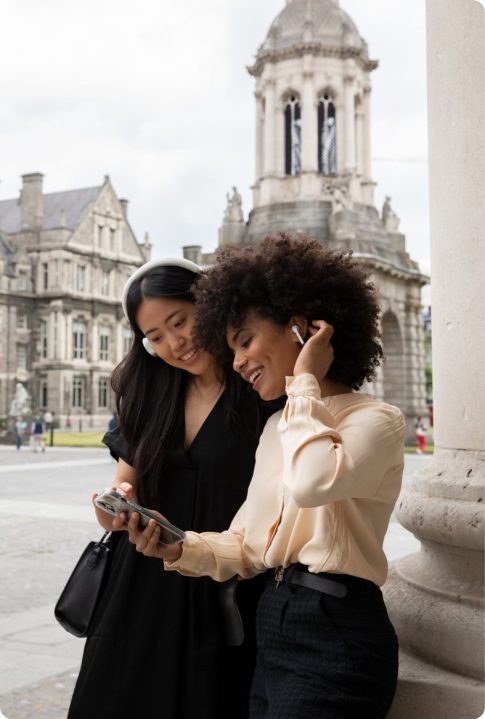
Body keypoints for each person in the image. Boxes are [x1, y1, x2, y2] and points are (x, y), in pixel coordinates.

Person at [127, 235, 406, 719]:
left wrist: (304, 382)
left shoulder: (375, 420)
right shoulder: (280, 426)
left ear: (301, 331)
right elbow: (248, 546)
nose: (236, 363)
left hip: (337, 626)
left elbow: (313, 482)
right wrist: (175, 545)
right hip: (274, 623)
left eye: (244, 341)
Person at [67, 258, 280, 719]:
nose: (174, 343)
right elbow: (125, 488)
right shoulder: (149, 393)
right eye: (156, 336)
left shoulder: (261, 392)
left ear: (209, 303)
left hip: (228, 589)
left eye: (180, 322)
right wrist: (117, 509)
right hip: (140, 589)